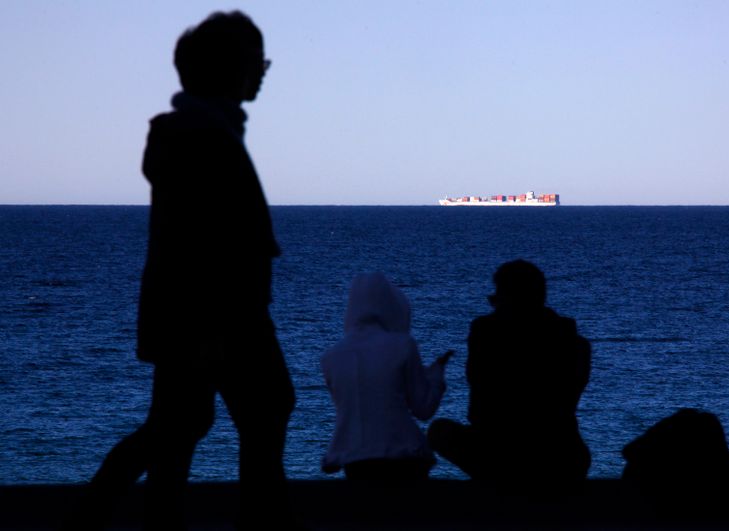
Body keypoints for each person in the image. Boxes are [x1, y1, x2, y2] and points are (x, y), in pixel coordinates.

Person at [63, 11, 297, 531]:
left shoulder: (198, 132)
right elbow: (202, 242)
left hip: (200, 315)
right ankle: (263, 525)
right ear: (232, 67)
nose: (263, 71)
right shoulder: (204, 137)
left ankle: (122, 522)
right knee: (256, 411)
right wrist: (214, 329)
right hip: (222, 315)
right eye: (257, 61)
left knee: (180, 426)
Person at [427, 259, 591, 492]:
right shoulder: (578, 345)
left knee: (440, 431)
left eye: (496, 297)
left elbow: (479, 397)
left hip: (502, 457)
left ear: (507, 297)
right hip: (565, 458)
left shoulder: (486, 332)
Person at [321, 272, 452, 480]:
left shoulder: (331, 357)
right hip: (404, 456)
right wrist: (436, 374)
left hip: (355, 462)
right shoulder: (402, 345)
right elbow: (423, 408)